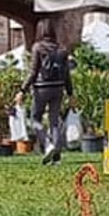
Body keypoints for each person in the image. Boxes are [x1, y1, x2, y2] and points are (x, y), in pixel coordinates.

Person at [17, 20, 73, 165]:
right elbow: (67, 73)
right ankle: (57, 157)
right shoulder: (61, 49)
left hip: (42, 87)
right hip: (58, 87)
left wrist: (22, 90)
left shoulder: (38, 47)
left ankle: (48, 145)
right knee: (55, 121)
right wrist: (71, 93)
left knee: (34, 119)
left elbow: (33, 71)